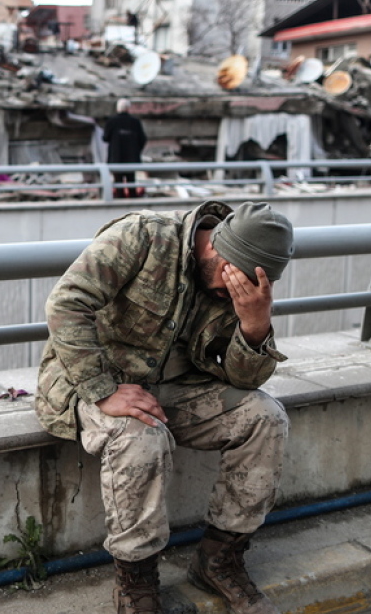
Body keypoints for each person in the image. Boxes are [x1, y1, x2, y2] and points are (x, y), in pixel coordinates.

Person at [37, 200, 294, 614]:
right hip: (98, 380)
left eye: (252, 285)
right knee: (141, 436)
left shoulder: (239, 289)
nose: (236, 292)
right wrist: (103, 390)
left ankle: (218, 559)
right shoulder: (144, 236)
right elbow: (66, 303)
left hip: (176, 388)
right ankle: (136, 581)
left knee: (265, 417)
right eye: (238, 280)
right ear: (221, 252)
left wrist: (254, 324)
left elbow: (244, 380)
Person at [103, 99, 148, 198]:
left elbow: (105, 138)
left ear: (118, 108)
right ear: (128, 108)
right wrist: (136, 151)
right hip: (131, 158)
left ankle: (119, 203)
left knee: (118, 184)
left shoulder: (111, 121)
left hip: (116, 158)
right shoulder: (135, 122)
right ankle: (133, 205)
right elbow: (143, 139)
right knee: (131, 182)